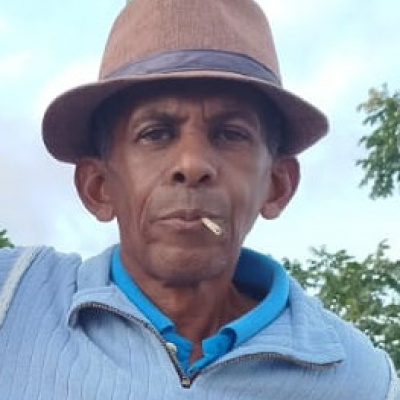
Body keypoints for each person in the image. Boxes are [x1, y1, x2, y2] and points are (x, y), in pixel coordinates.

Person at [0, 0, 398, 398]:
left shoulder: (362, 381)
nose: (192, 165)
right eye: (155, 133)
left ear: (277, 185)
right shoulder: (12, 300)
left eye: (231, 134)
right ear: (98, 186)